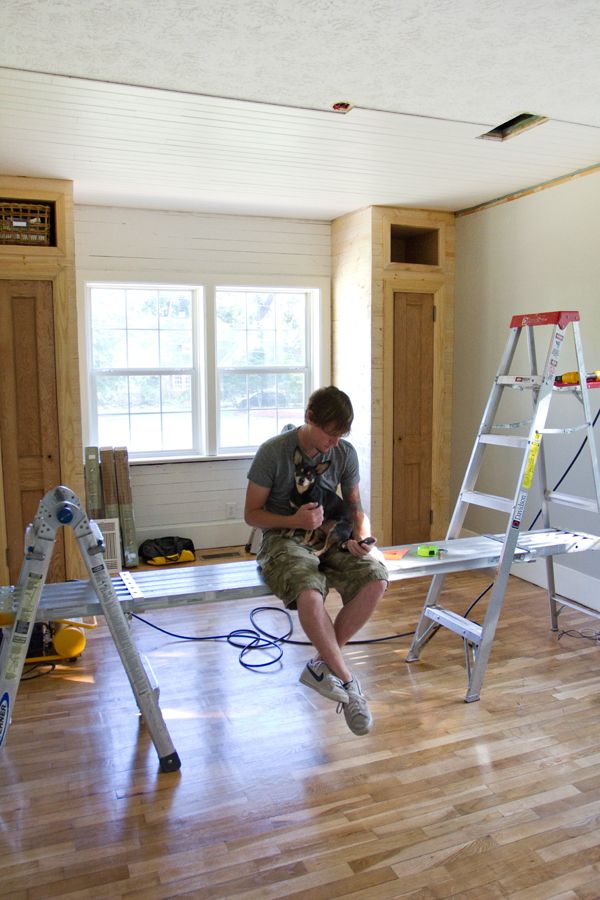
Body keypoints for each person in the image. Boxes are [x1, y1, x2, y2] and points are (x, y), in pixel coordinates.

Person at [244, 385, 388, 735]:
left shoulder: (344, 453)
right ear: (310, 418)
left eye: (342, 435)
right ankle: (350, 684)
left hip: (333, 537)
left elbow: (356, 509)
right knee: (310, 591)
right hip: (284, 539)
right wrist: (295, 521)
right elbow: (252, 515)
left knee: (376, 578)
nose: (335, 442)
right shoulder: (272, 453)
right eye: (330, 433)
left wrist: (360, 538)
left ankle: (321, 665)